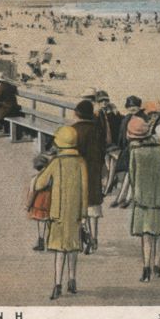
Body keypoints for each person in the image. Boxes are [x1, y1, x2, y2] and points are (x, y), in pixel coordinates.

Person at [33, 126, 88, 300]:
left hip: (57, 212)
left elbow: (39, 184)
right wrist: (84, 213)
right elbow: (85, 190)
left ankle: (57, 284)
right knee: (73, 248)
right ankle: (72, 280)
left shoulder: (56, 162)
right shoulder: (81, 162)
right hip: (75, 213)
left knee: (59, 251)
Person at [126, 116, 160, 282]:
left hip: (143, 201)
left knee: (146, 237)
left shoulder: (135, 153)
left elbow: (132, 178)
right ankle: (158, 266)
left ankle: (146, 268)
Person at [72, 100, 105, 253]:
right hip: (94, 172)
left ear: (76, 114)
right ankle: (94, 238)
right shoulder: (97, 130)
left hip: (77, 172)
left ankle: (82, 238)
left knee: (79, 207)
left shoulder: (73, 130)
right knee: (93, 209)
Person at [26, 151, 53, 252]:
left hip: (39, 204)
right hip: (49, 203)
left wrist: (28, 205)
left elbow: (32, 193)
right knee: (49, 224)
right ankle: (49, 243)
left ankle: (41, 242)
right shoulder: (51, 178)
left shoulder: (35, 179)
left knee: (41, 225)